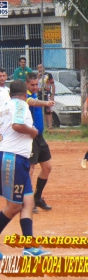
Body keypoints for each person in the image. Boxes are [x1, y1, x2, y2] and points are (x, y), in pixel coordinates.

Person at [0, 80, 51, 259]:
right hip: (13, 159)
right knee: (14, 207)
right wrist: (34, 132)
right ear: (24, 93)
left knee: (28, 203)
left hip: (15, 158)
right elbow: (17, 126)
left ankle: (29, 246)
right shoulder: (20, 105)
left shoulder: (6, 105)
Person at [26, 73, 55, 214]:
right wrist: (46, 103)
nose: (36, 87)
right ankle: (28, 202)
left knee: (47, 167)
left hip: (40, 137)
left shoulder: (35, 93)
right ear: (26, 85)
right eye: (32, 85)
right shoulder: (26, 96)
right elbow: (32, 102)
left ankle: (37, 197)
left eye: (37, 84)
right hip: (30, 137)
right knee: (30, 170)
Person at [37, 64, 55, 129]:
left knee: (48, 110)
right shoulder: (37, 76)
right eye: (38, 67)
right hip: (39, 94)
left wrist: (52, 95)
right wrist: (38, 77)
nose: (40, 68)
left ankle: (50, 126)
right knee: (42, 111)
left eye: (41, 67)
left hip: (47, 94)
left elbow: (53, 85)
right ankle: (44, 126)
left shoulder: (48, 75)